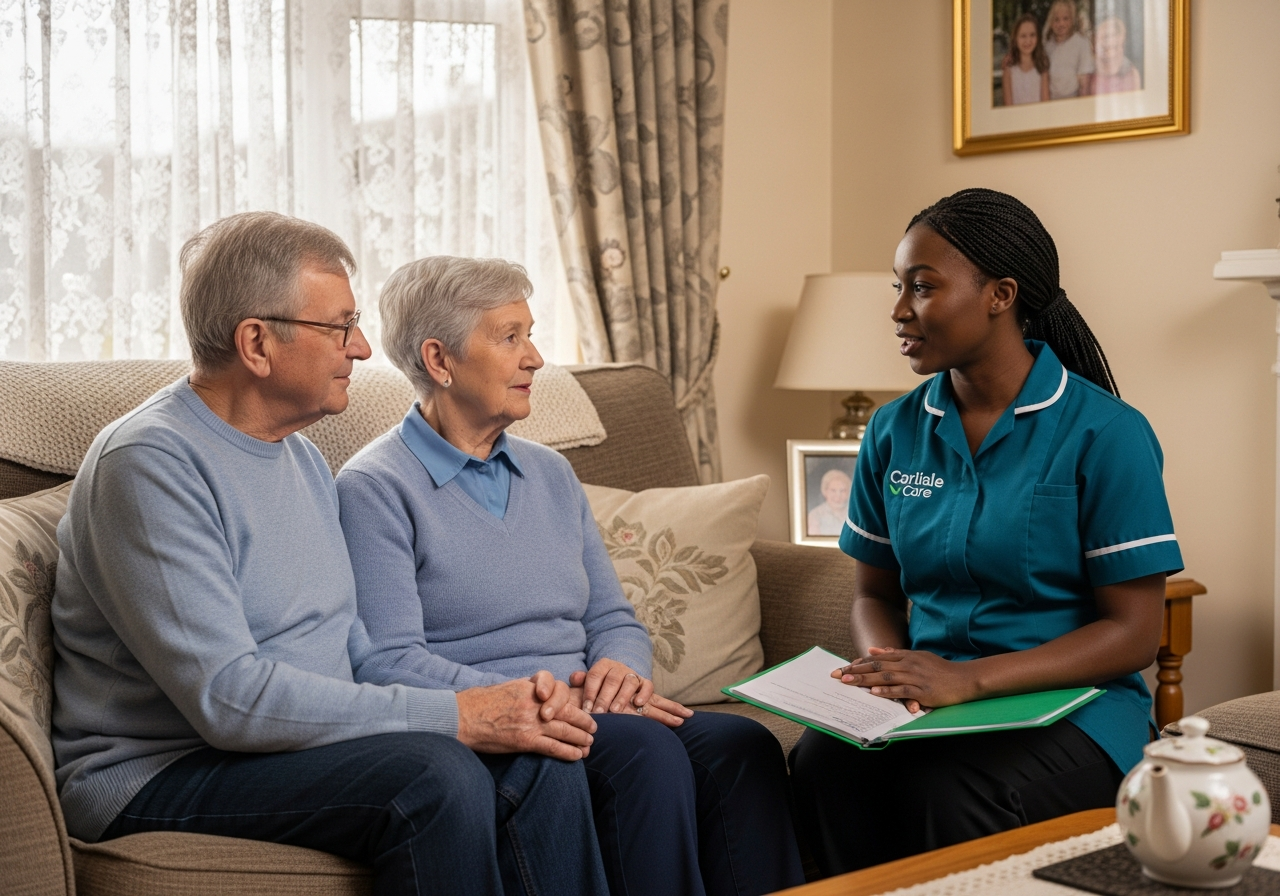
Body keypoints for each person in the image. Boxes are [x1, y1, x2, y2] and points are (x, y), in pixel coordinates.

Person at [51, 212, 611, 896]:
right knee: (436, 776)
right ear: (257, 343)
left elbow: (356, 647)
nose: (366, 347)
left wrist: (507, 702)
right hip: (163, 768)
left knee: (545, 753)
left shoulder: (305, 460)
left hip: (290, 747)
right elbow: (227, 699)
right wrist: (458, 717)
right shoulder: (151, 463)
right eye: (341, 326)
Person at [335, 255, 806, 896]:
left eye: (530, 334)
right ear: (440, 361)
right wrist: (546, 699)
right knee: (645, 753)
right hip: (498, 722)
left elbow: (611, 616)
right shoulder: (375, 488)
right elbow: (389, 659)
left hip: (586, 708)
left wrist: (622, 667)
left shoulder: (549, 472)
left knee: (739, 745)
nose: (534, 359)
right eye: (510, 338)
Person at [788, 188, 1183, 875]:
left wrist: (968, 681)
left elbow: (1134, 633)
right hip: (935, 703)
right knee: (824, 760)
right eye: (899, 287)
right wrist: (888, 674)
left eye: (923, 287)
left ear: (1000, 295)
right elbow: (873, 593)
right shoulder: (894, 429)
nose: (899, 309)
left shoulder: (1108, 434)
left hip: (1075, 715)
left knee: (950, 786)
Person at [1044, 0, 1094, 99]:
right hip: (1051, 101)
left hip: (1073, 99)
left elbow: (1084, 81)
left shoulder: (1081, 42)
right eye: (1056, 20)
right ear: (1051, 22)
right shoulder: (1047, 45)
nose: (1061, 23)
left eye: (1065, 18)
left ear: (1072, 20)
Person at [1001, 13, 1050, 106]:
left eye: (1032, 35)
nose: (1028, 40)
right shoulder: (1009, 70)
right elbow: (1008, 106)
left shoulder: (1042, 67)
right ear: (1015, 39)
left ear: (1038, 37)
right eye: (1023, 36)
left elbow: (1045, 104)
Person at [1093, 16, 1142, 95]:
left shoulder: (1131, 74)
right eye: (1099, 37)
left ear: (1121, 38)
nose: (1104, 42)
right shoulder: (1091, 71)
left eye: (1107, 36)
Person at [808, 468, 852, 536]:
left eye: (842, 490)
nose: (838, 496)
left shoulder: (855, 514)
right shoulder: (815, 515)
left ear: (848, 492)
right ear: (825, 491)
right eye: (833, 490)